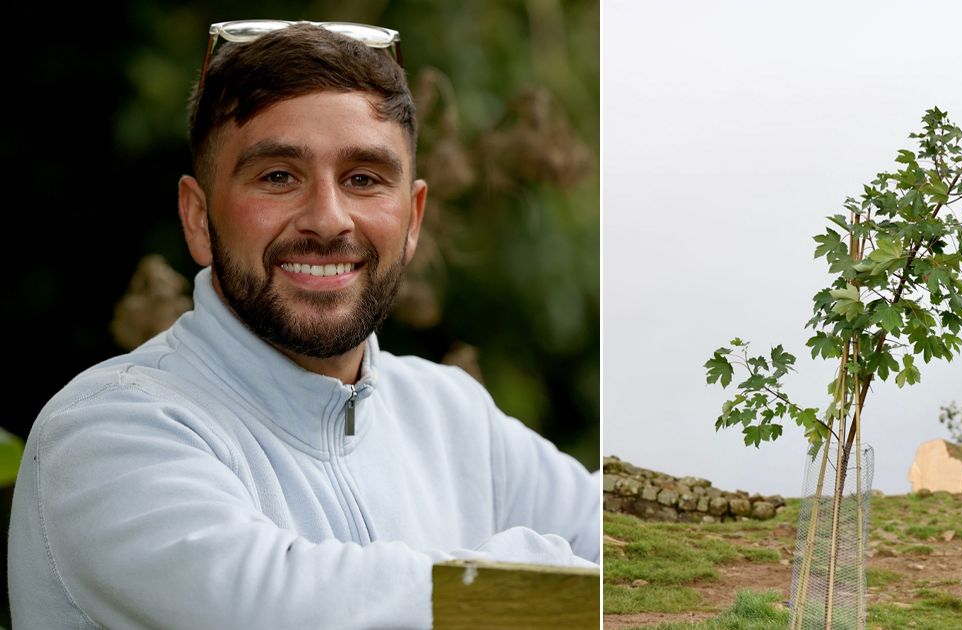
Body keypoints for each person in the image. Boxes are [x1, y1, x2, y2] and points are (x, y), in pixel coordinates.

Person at [8, 20, 599, 630]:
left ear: (414, 217)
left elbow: (637, 539)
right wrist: (550, 581)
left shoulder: (450, 414)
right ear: (197, 217)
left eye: (364, 179)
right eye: (278, 176)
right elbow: (294, 613)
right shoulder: (105, 431)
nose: (327, 219)